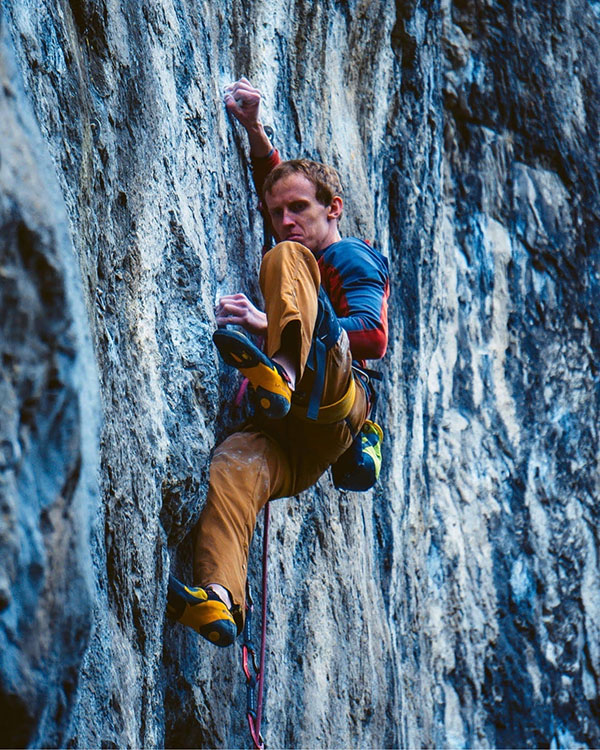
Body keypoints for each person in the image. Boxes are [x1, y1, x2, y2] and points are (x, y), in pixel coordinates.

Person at [166, 78, 390, 646]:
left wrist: (272, 332)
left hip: (334, 392)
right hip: (299, 446)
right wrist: (253, 128)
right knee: (233, 468)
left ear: (333, 210)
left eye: (300, 209)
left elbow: (372, 337)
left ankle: (280, 374)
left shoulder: (344, 256)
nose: (285, 220)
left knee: (290, 259)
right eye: (276, 213)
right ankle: (219, 601)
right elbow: (276, 186)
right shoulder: (292, 244)